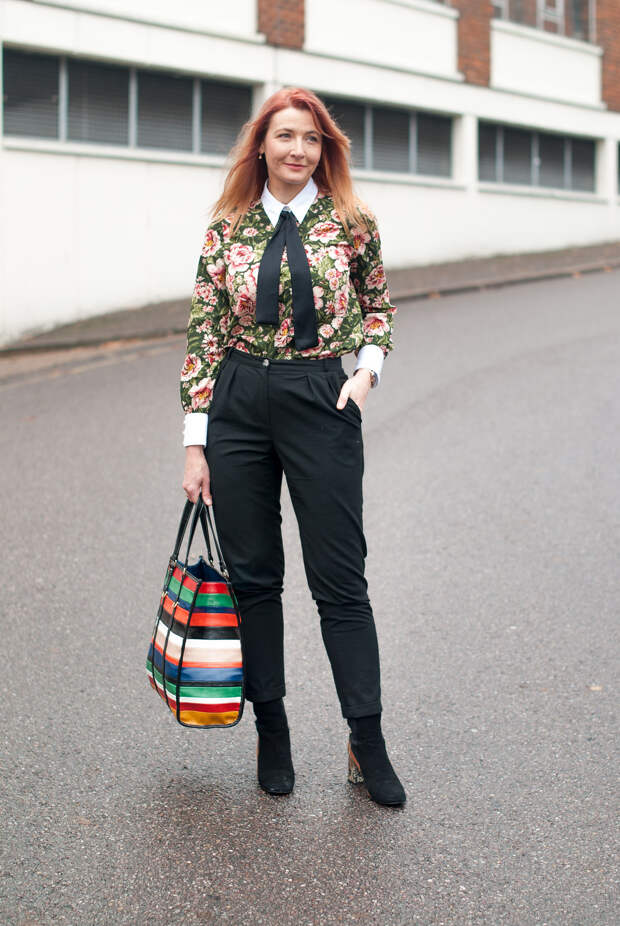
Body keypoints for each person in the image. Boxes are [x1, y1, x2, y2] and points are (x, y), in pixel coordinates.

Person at [180, 87, 405, 807]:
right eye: (285, 136)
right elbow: (203, 336)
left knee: (341, 579)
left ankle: (365, 739)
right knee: (254, 578)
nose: (298, 149)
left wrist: (365, 374)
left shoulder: (353, 223)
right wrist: (196, 442)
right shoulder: (227, 230)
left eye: (310, 138)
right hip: (239, 403)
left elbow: (379, 307)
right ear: (262, 146)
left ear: (324, 148)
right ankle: (270, 728)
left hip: (320, 397)